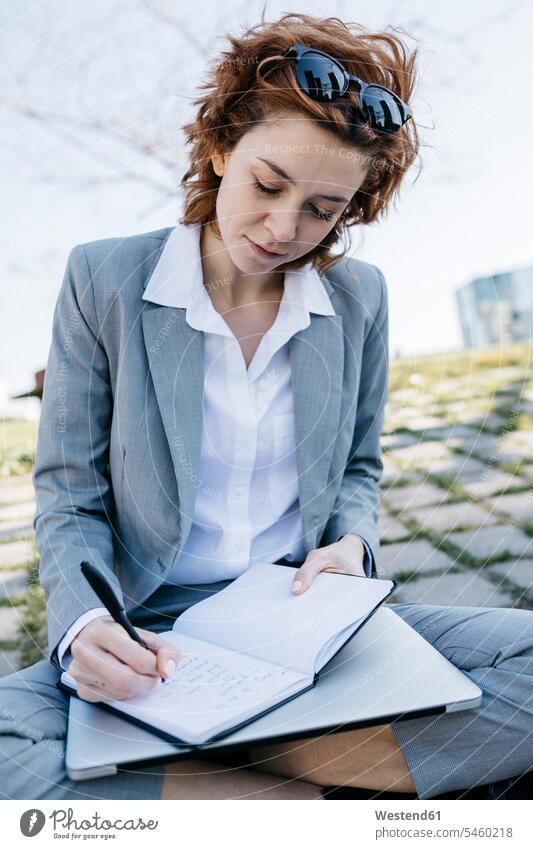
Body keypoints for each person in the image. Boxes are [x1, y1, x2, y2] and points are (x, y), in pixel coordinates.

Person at [1, 12, 532, 801]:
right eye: (267, 184)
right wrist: (84, 625)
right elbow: (69, 487)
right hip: (155, 628)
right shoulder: (104, 278)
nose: (285, 228)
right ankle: (328, 782)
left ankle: (240, 775)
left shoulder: (358, 299)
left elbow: (357, 463)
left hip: (305, 622)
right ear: (220, 147)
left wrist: (350, 544)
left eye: (323, 208)